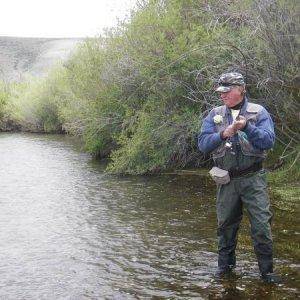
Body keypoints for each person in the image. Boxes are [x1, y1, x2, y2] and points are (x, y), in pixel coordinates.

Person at [198, 72, 281, 283]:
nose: (223, 96)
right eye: (221, 92)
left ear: (241, 89)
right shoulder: (213, 114)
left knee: (261, 226)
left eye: (227, 91)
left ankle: (267, 273)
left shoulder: (258, 112)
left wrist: (247, 127)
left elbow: (268, 141)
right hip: (227, 182)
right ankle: (225, 270)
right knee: (225, 227)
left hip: (253, 178)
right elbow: (203, 145)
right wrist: (223, 134)